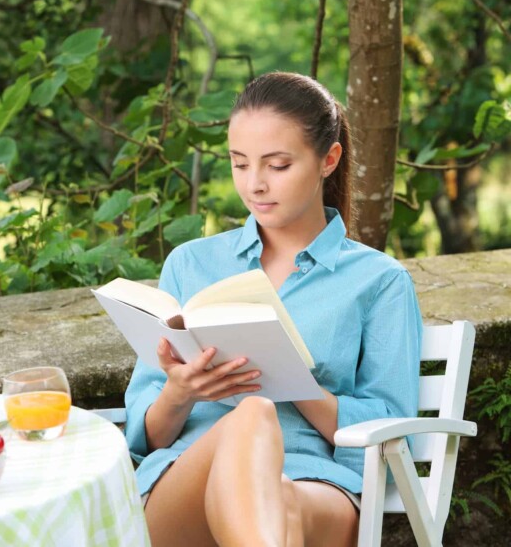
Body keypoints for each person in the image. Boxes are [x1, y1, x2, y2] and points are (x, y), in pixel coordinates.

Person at [124, 72, 422, 547]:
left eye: (277, 165)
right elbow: (147, 438)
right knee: (252, 416)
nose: (255, 184)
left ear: (329, 159)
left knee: (275, 495)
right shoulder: (191, 264)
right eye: (239, 164)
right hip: (185, 480)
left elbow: (393, 433)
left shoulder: (379, 281)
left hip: (316, 483)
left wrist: (294, 382)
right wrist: (179, 393)